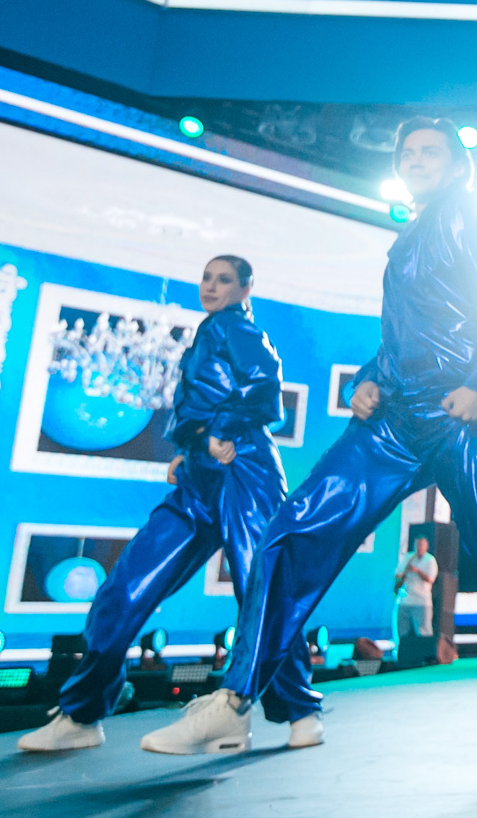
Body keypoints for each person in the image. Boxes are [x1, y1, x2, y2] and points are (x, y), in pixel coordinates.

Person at [139, 118, 477, 754]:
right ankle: (235, 698)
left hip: (459, 414)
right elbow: (402, 338)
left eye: (430, 151)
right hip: (393, 419)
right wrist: (369, 378)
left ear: (458, 166)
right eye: (407, 152)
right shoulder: (408, 238)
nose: (416, 159)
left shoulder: (471, 217)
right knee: (292, 530)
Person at [20, 256, 313, 751]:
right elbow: (198, 403)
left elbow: (266, 392)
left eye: (224, 280)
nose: (211, 287)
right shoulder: (207, 333)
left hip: (244, 468)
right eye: (207, 278)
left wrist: (221, 433)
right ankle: (81, 716)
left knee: (261, 591)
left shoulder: (237, 329)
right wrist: (190, 448)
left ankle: (299, 709)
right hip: (200, 473)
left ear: (246, 289)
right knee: (125, 586)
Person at [395, 535, 438, 644]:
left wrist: (417, 571)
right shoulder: (408, 558)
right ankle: (402, 650)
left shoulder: (430, 560)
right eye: (417, 545)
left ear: (426, 546)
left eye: (421, 545)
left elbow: (430, 579)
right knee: (401, 630)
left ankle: (425, 651)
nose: (419, 548)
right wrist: (406, 570)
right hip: (405, 600)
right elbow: (398, 576)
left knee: (423, 631)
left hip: (422, 601)